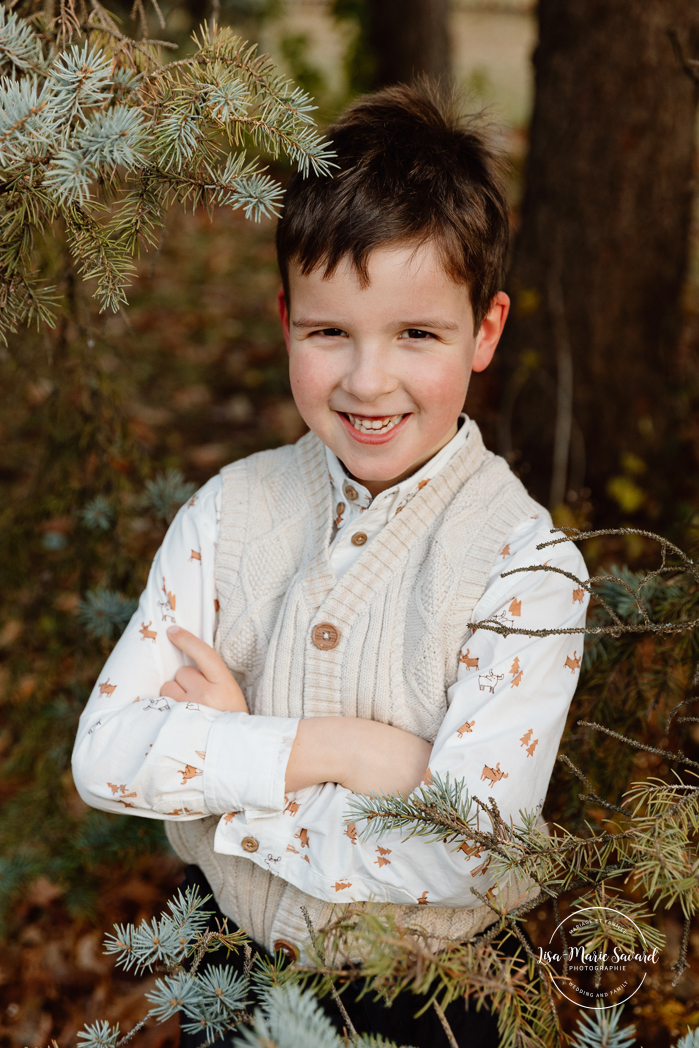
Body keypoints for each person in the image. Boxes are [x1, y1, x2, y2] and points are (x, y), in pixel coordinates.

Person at [72, 82, 589, 1046]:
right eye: (328, 333)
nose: (366, 379)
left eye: (416, 334)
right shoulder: (231, 512)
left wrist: (229, 776)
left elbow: (465, 853)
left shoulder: (526, 573)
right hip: (231, 970)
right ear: (285, 321)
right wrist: (343, 753)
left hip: (432, 998)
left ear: (485, 331)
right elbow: (105, 755)